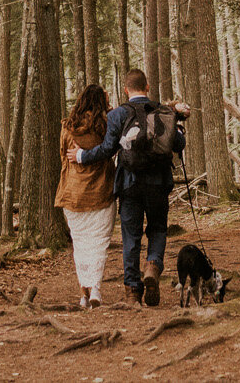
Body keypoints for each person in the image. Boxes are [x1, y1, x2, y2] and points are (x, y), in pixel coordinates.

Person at [69, 68, 186, 306]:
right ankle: (153, 265)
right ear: (148, 87)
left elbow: (107, 149)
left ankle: (132, 291)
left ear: (126, 89)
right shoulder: (163, 111)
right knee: (158, 230)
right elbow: (179, 144)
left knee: (130, 236)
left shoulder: (118, 115)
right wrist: (179, 124)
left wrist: (81, 156)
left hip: (129, 184)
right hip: (158, 183)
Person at [56, 83, 117, 310]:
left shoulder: (67, 128)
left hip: (73, 195)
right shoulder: (105, 127)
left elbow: (64, 157)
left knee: (80, 245)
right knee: (99, 244)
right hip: (100, 193)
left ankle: (83, 293)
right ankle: (96, 290)